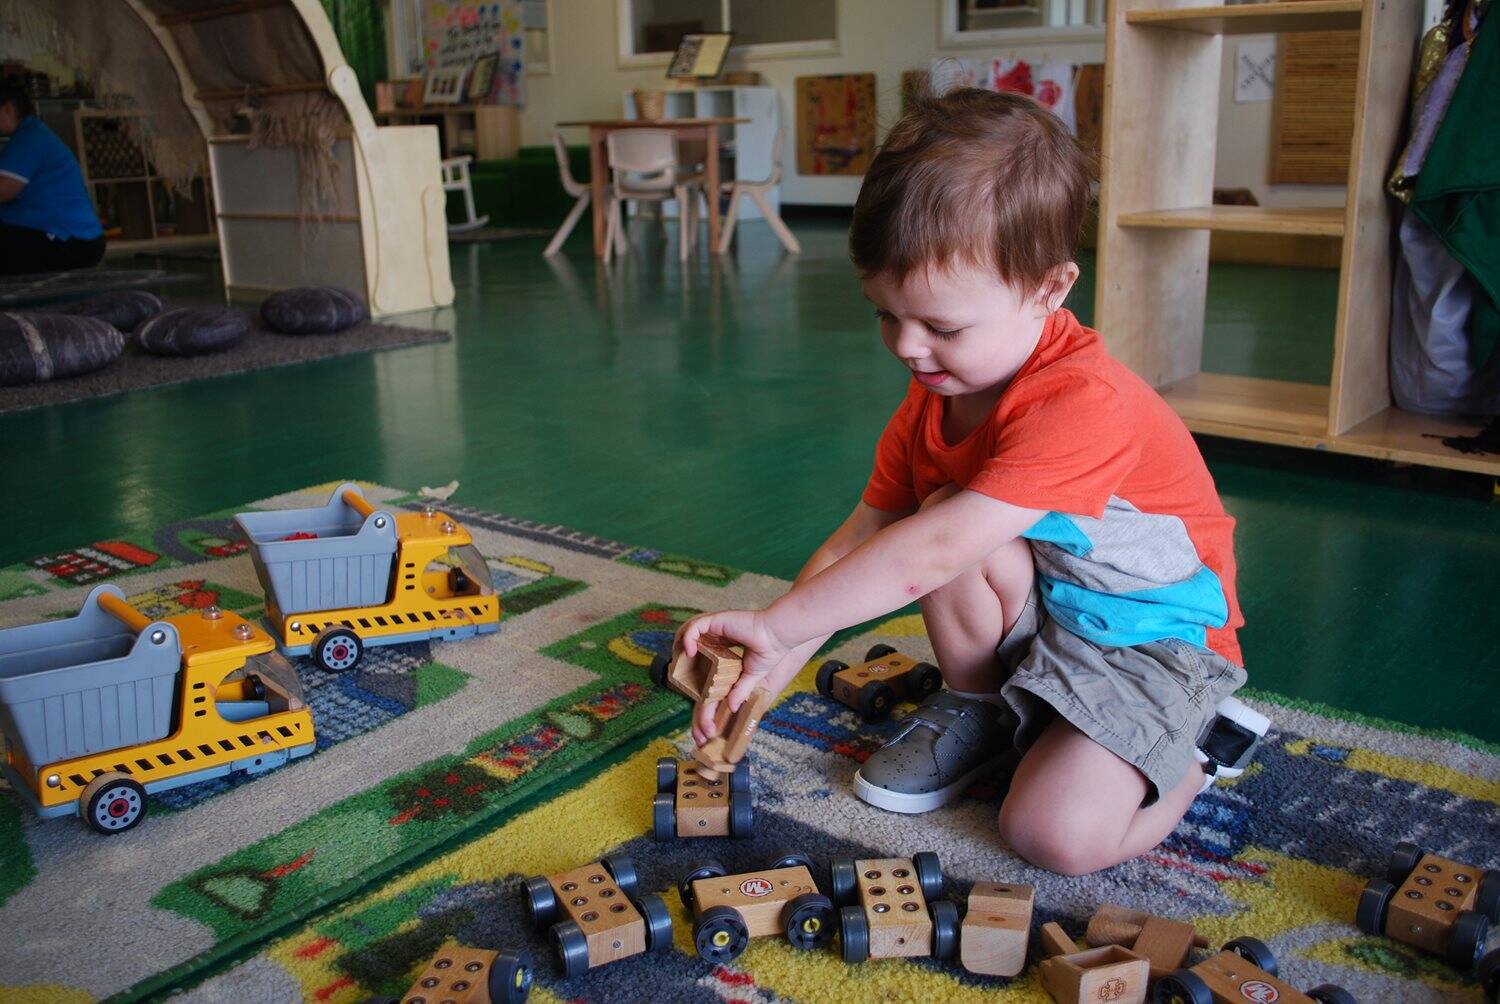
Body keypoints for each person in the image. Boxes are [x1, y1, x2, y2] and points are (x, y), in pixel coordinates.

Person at [674, 88, 1264, 876]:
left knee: (1052, 836)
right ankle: (982, 707)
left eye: (943, 327)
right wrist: (782, 647)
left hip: (1151, 645)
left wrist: (779, 630)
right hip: (1053, 609)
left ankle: (1193, 755)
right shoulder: (938, 392)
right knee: (936, 505)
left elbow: (934, 553)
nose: (908, 349)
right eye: (886, 315)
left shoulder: (1085, 401)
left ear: (1051, 289)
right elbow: (866, 534)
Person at [0, 78, 105, 275]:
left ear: (8, 108)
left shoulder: (29, 137)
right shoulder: (31, 134)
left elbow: (5, 190)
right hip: (69, 237)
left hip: (68, 240)